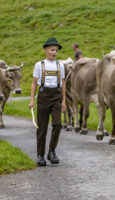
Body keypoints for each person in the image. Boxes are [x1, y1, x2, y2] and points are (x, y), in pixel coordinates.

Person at [29, 37, 66, 166]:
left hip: (56, 96)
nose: (54, 52)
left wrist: (64, 101)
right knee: (42, 128)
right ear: (46, 50)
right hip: (43, 96)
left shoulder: (60, 65)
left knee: (57, 124)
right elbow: (34, 83)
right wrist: (31, 100)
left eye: (56, 50)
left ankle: (52, 151)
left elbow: (62, 84)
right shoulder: (39, 65)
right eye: (52, 50)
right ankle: (40, 155)